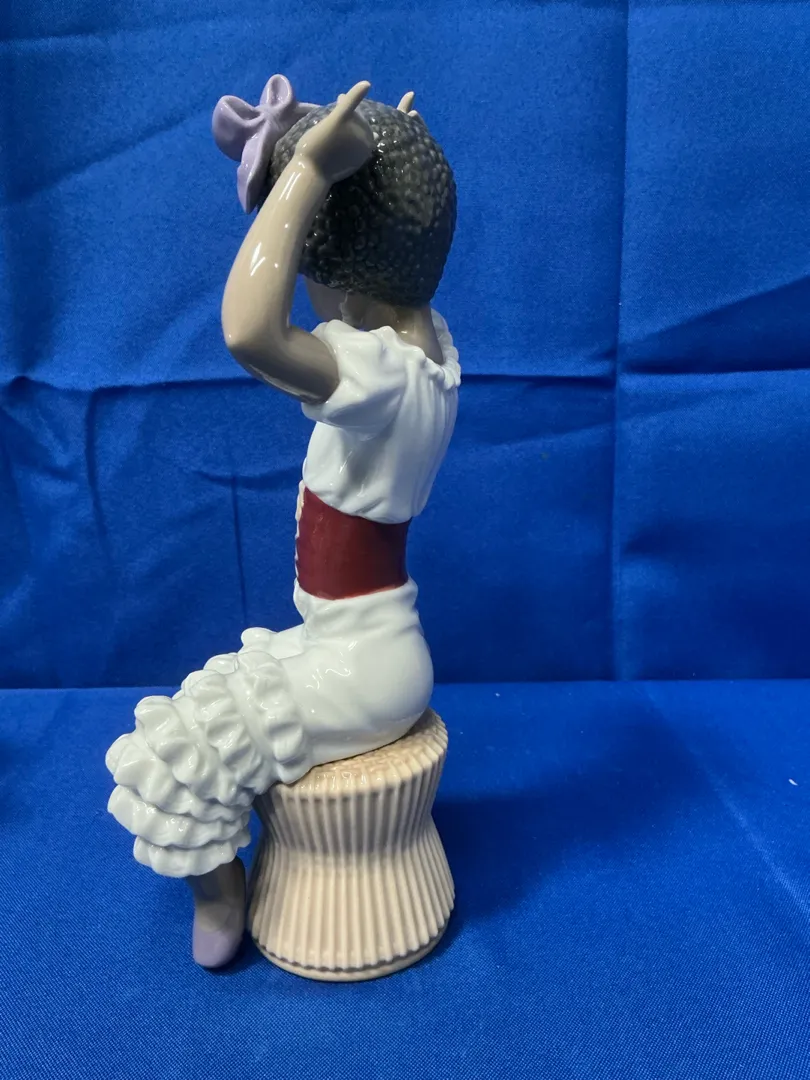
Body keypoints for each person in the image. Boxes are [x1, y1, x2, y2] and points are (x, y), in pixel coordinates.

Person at [105, 79, 459, 968]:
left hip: (362, 664)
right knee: (212, 698)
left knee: (172, 749)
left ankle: (218, 889)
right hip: (357, 641)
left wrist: (304, 177)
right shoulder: (429, 349)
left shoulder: (379, 374)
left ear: (340, 276)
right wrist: (390, 168)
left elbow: (249, 332)